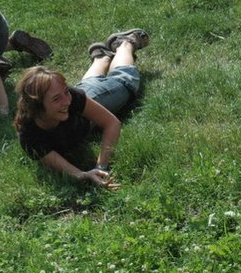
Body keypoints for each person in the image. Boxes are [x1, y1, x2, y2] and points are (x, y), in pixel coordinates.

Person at [13, 29, 149, 189]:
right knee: (88, 86)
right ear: (37, 106)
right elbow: (73, 172)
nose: (66, 101)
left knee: (126, 82)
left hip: (94, 96)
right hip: (86, 93)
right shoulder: (30, 136)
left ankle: (125, 43)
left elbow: (112, 123)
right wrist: (85, 174)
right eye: (56, 99)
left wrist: (101, 167)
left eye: (66, 92)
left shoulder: (71, 98)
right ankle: (101, 57)